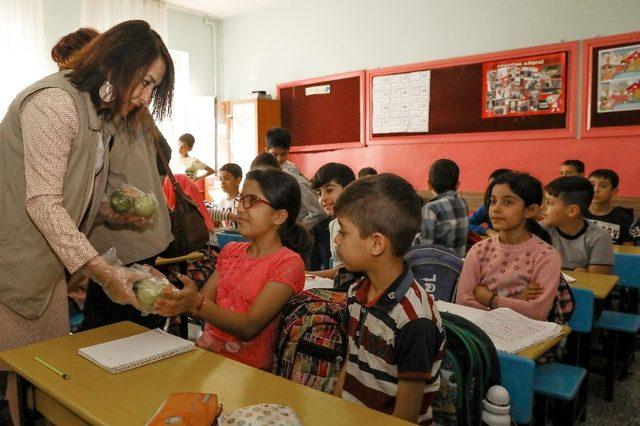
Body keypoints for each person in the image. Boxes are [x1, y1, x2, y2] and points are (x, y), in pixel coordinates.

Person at [0, 20, 174, 424]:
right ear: (117, 63)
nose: (147, 97)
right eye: (145, 83)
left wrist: (116, 209)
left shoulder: (99, 114)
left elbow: (72, 199)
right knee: (22, 372)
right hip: (12, 268)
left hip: (43, 272)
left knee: (38, 375)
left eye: (154, 88)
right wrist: (104, 271)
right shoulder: (55, 103)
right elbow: (43, 203)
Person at [154, 169, 308, 371]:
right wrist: (181, 298)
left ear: (279, 217)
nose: (240, 208)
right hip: (207, 356)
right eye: (242, 198)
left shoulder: (287, 263)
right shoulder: (231, 251)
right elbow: (203, 306)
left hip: (248, 370)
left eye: (251, 201)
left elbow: (248, 326)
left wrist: (195, 303)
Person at [331, 174, 445, 424]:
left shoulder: (414, 320)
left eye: (343, 231)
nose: (337, 239)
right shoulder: (357, 292)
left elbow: (406, 416)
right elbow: (350, 364)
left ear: (376, 244)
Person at [456, 172, 562, 320]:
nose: (496, 209)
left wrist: (491, 299)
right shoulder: (479, 250)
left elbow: (536, 312)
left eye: (507, 202)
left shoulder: (546, 256)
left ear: (530, 210)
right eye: (493, 201)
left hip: (526, 337)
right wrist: (517, 300)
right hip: (479, 334)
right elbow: (463, 302)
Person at [541, 176, 613, 273]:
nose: (542, 207)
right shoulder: (540, 230)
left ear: (572, 211)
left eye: (549, 203)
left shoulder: (599, 237)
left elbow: (597, 282)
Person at [250, 152, 327, 231]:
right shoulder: (269, 188)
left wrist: (297, 229)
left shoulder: (295, 183)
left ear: (279, 171)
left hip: (315, 230)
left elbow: (319, 212)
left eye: (265, 176)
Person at [308, 162, 356, 278]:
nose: (322, 198)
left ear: (348, 189)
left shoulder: (357, 224)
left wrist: (308, 274)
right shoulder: (333, 224)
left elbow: (348, 272)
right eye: (319, 193)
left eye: (329, 190)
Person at [414, 159, 469, 257]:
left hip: (439, 267)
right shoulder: (462, 202)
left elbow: (424, 248)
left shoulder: (431, 208)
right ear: (457, 185)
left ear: (429, 185)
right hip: (460, 264)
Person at [584, 169, 634, 245]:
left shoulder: (624, 220)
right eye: (592, 185)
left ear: (614, 191)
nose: (596, 190)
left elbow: (628, 251)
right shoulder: (578, 214)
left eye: (603, 186)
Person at [468, 168, 511, 237]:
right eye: (490, 186)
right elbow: (468, 224)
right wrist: (486, 230)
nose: (491, 190)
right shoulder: (487, 206)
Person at [208, 163, 242, 228]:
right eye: (220, 179)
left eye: (226, 179)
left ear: (238, 180)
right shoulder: (221, 203)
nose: (222, 183)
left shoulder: (242, 201)